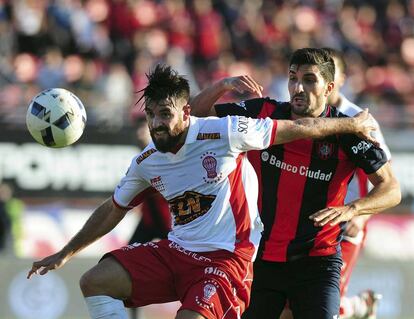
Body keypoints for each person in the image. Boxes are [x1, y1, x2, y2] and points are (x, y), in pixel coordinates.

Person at [27, 64, 379, 319]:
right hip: (178, 251)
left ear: (185, 111)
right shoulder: (148, 161)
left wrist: (352, 123)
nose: (156, 124)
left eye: (164, 114)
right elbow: (112, 208)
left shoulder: (225, 132)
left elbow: (300, 127)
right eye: (150, 115)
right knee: (95, 281)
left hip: (226, 259)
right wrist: (66, 252)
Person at [191, 48, 401, 319]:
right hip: (260, 259)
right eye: (292, 78)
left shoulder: (348, 130)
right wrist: (224, 85)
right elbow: (191, 117)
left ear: (329, 87)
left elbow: (391, 188)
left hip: (317, 262)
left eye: (309, 80)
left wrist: (353, 209)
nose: (298, 88)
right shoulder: (264, 113)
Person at [323, 47, 391, 319]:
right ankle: (359, 307)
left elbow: (387, 178)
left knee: (327, 303)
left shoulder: (360, 120)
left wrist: (361, 216)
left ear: (340, 79)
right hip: (312, 222)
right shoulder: (301, 117)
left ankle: (358, 307)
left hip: (346, 224)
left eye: (331, 72)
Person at [128, 116, 172, 319]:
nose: (138, 134)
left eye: (142, 130)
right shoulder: (141, 159)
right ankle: (134, 314)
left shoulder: (165, 154)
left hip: (169, 221)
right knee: (127, 260)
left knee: (183, 267)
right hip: (149, 221)